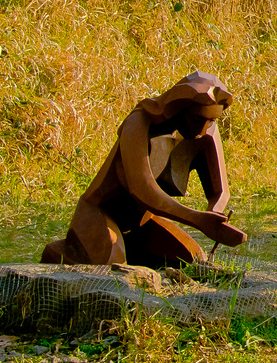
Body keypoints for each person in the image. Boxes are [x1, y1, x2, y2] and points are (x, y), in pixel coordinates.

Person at [42, 71, 247, 267]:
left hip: (143, 221)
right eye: (196, 119)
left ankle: (131, 250)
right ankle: (64, 251)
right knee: (113, 263)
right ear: (179, 107)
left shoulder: (206, 131)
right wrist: (197, 219)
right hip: (99, 213)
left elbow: (220, 191)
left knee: (193, 259)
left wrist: (215, 213)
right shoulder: (139, 122)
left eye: (211, 121)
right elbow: (143, 190)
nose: (202, 129)